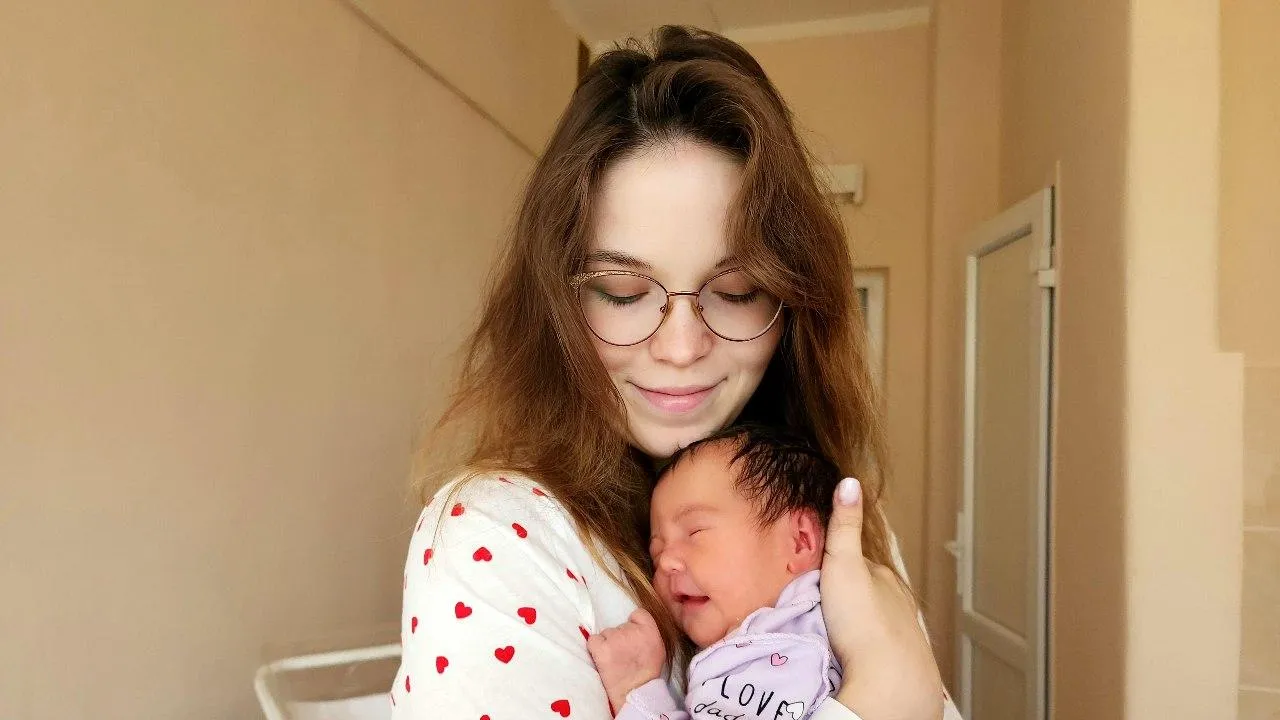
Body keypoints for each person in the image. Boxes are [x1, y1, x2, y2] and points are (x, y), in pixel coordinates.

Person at [391, 25, 959, 720]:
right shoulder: (498, 537)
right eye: (624, 293)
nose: (683, 347)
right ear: (556, 306)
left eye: (739, 290)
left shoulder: (832, 518)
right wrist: (880, 700)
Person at [587, 423, 845, 720]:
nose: (667, 561)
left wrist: (636, 690)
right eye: (656, 553)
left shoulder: (782, 653)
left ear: (799, 541)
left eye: (695, 532)